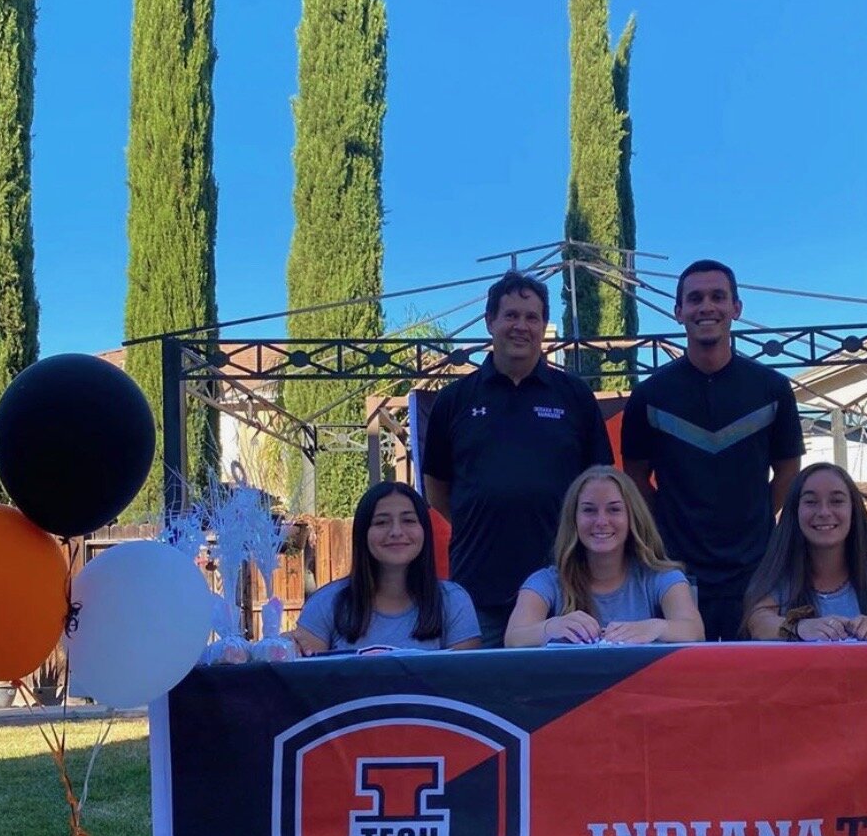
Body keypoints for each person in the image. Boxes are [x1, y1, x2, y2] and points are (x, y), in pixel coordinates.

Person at [423, 271, 613, 646]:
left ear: (544, 326)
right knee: (478, 696)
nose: (521, 326)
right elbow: (437, 490)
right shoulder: (454, 400)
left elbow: (602, 486)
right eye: (510, 315)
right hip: (479, 589)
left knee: (562, 699)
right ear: (490, 321)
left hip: (565, 589)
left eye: (531, 317)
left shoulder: (574, 397)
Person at [621, 259, 805, 640]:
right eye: (695, 298)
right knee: (680, 687)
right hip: (675, 572)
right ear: (678, 312)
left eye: (718, 297)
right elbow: (635, 476)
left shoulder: (772, 389)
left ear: (736, 308)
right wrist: (668, 527)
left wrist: (754, 520)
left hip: (756, 569)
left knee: (755, 684)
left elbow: (789, 471)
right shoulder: (649, 396)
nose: (707, 307)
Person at [505, 465, 704, 646]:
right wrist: (551, 628)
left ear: (632, 517)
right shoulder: (546, 581)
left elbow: (695, 632)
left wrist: (655, 628)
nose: (601, 521)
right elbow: (513, 639)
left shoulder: (661, 577)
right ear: (573, 519)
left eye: (614, 509)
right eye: (589, 510)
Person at [742, 462, 867, 642]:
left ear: (854, 511)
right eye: (811, 502)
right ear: (794, 512)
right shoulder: (779, 576)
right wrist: (798, 628)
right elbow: (758, 621)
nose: (824, 511)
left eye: (837, 501)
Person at [292, 481, 481, 653]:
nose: (396, 532)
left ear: (424, 531)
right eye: (381, 522)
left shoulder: (454, 601)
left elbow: (463, 684)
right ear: (362, 534)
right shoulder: (325, 604)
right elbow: (307, 684)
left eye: (408, 520)